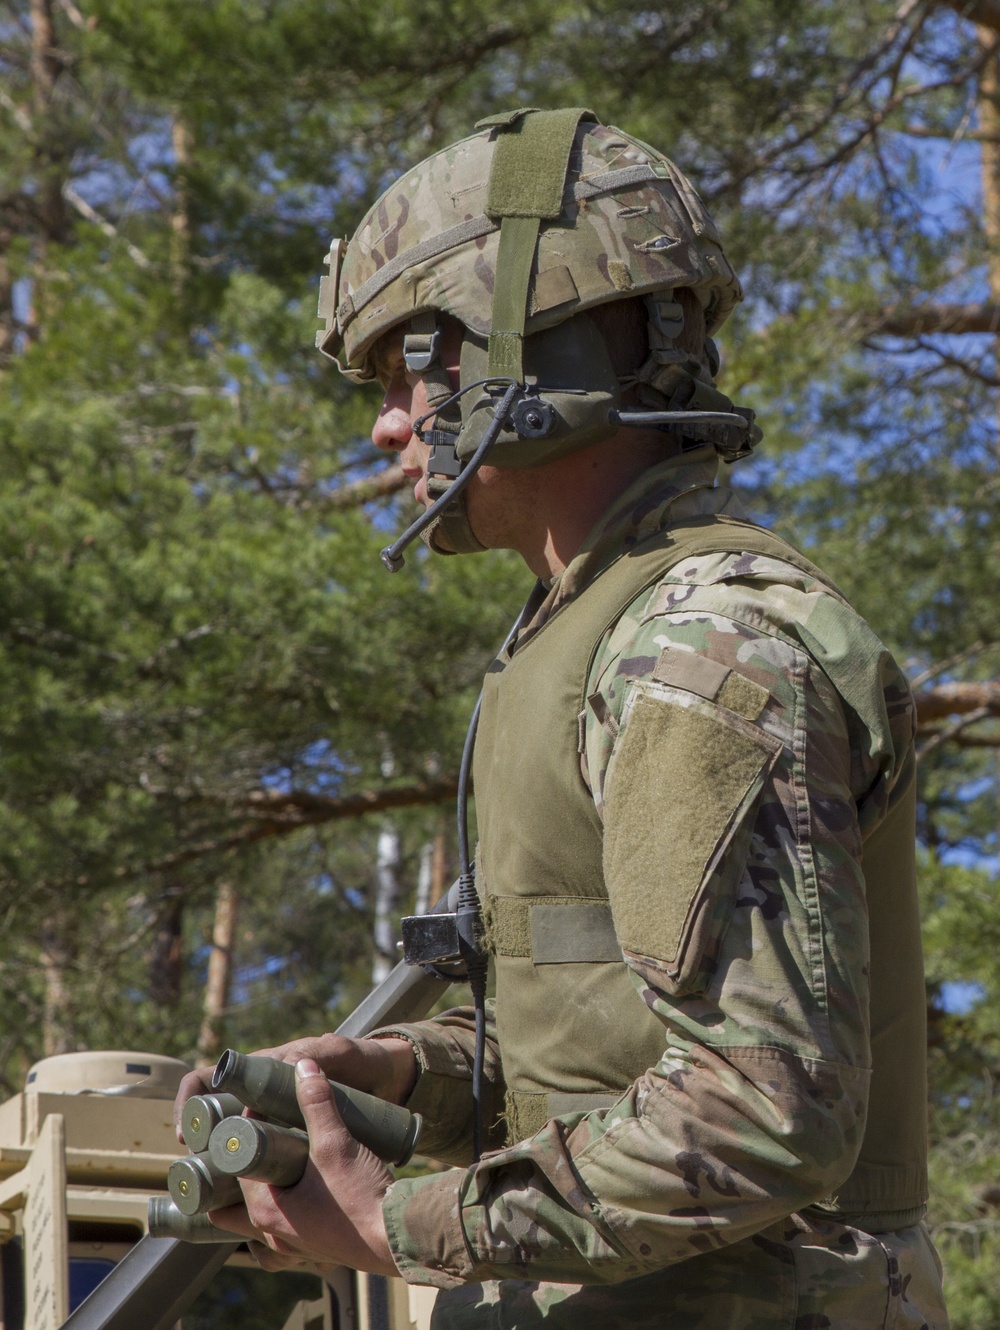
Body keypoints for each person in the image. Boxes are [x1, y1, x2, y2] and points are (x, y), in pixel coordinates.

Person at [175, 108, 950, 1328]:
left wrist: (395, 1225)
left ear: (521, 363)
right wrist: (400, 1079)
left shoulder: (703, 648)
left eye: (403, 374)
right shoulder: (595, 629)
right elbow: (604, 1054)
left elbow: (761, 1112)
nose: (386, 425)